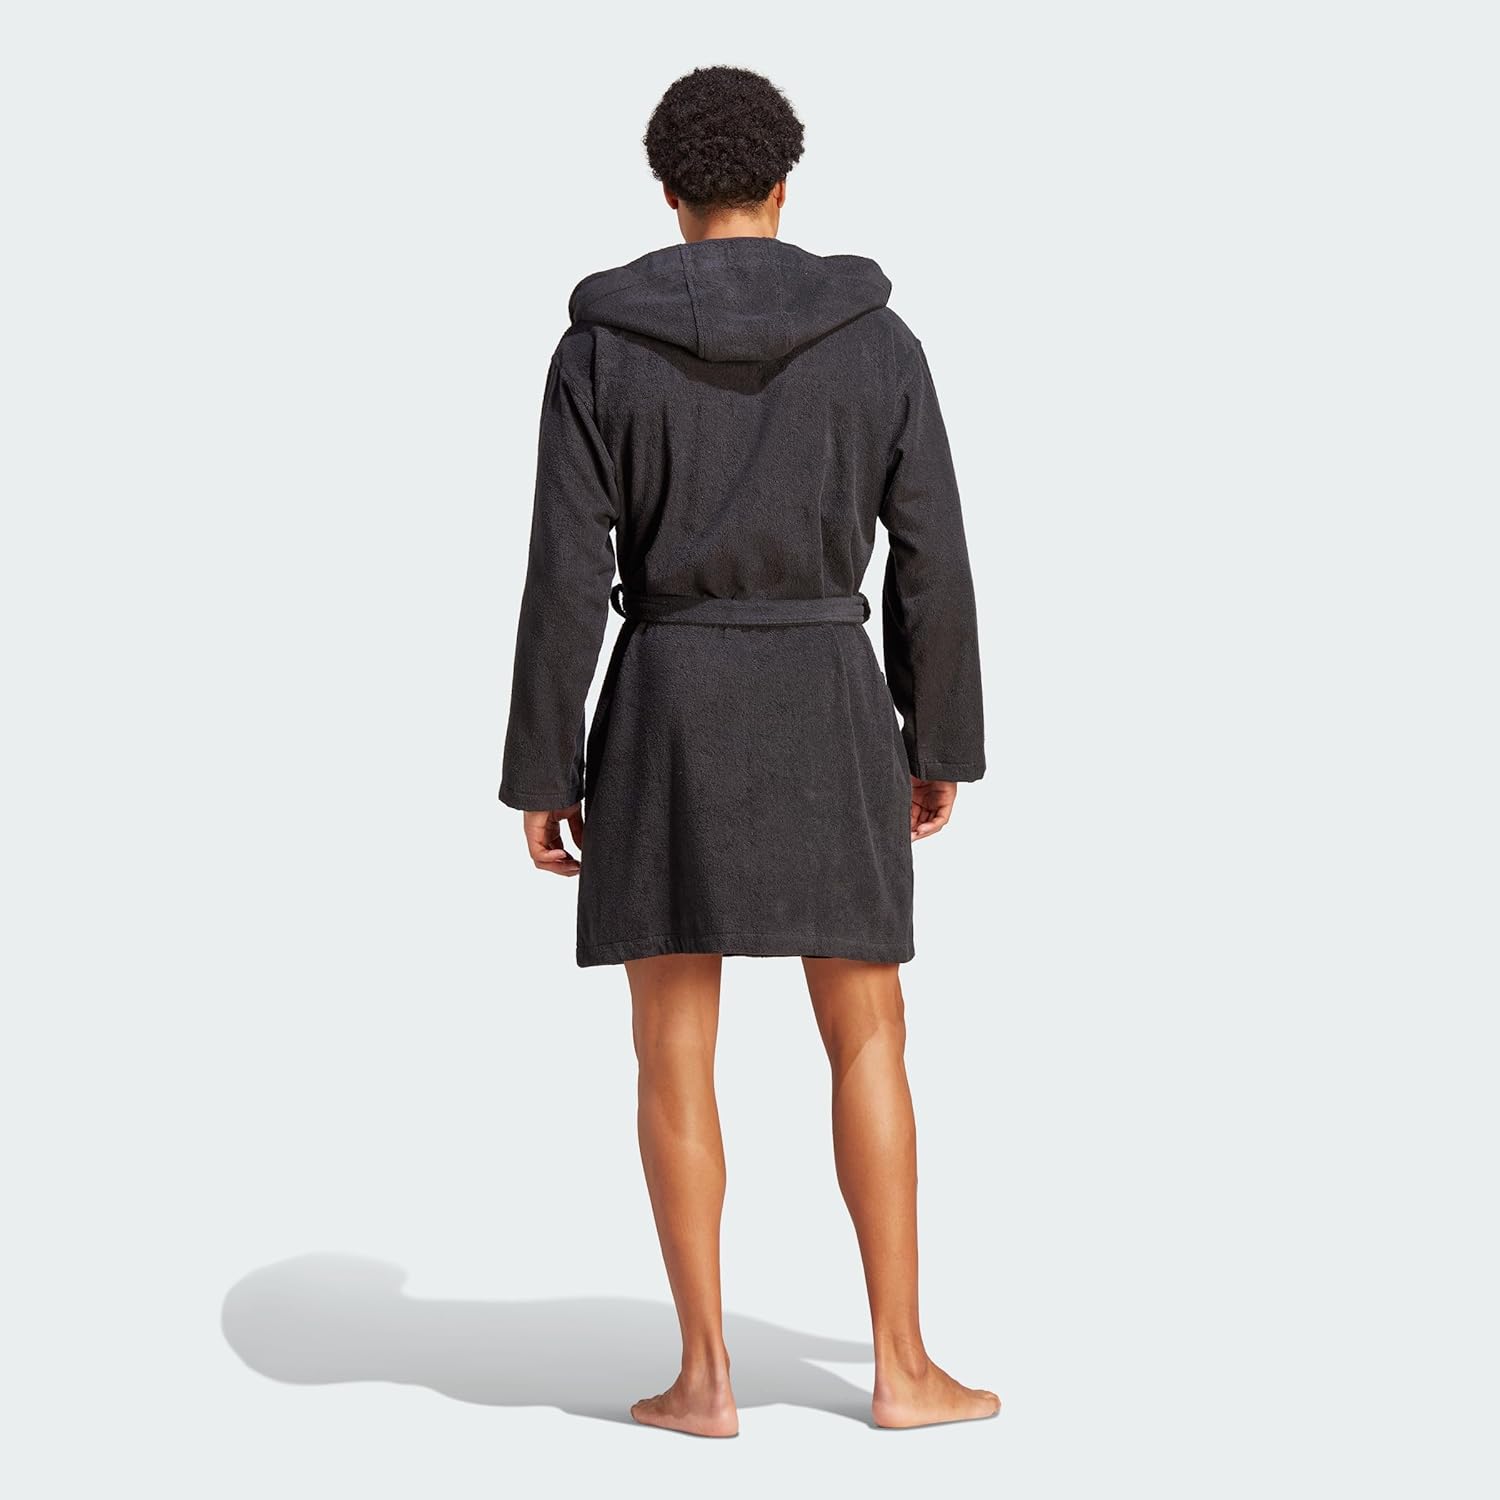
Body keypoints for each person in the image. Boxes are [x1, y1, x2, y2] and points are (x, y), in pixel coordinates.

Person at [498, 65, 995, 1436]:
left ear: (668, 194)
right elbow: (934, 560)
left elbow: (561, 575)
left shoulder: (598, 348)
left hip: (666, 699)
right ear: (785, 185)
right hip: (829, 695)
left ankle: (705, 1379)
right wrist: (937, 736)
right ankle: (904, 1369)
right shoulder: (878, 342)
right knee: (869, 1033)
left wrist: (545, 769)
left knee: (672, 1047)